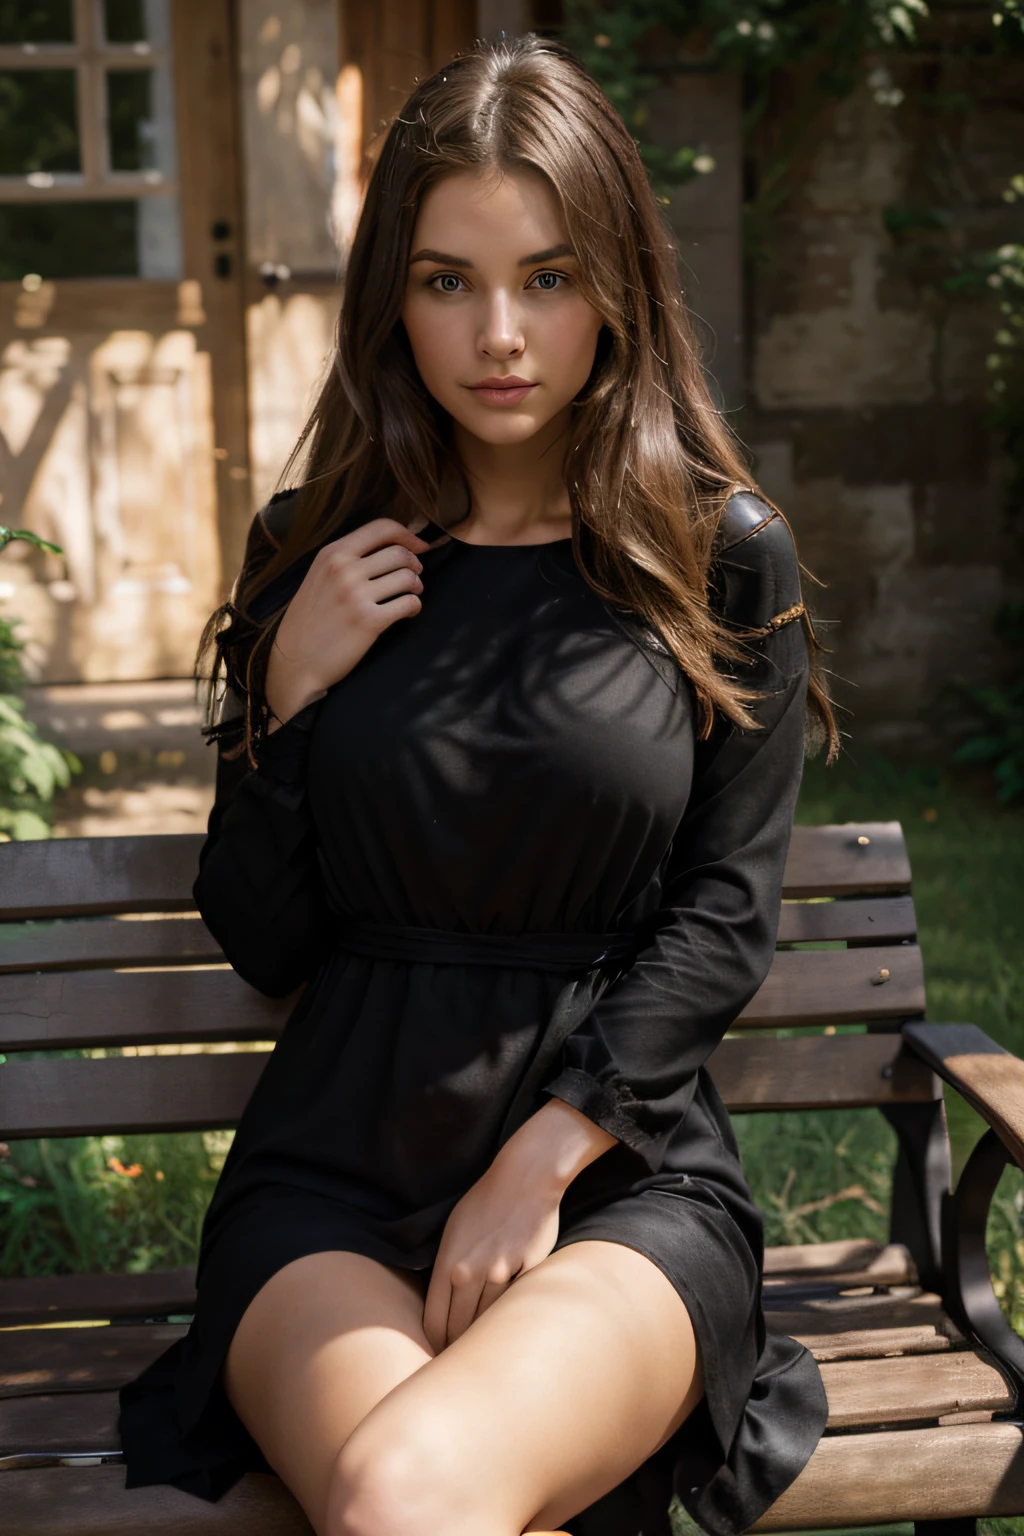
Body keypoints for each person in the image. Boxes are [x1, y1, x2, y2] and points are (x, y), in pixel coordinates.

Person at [119, 33, 838, 1536]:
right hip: (329, 1183)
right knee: (410, 1498)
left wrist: (539, 1160)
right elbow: (263, 937)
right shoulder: (315, 552)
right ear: (394, 294)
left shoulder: (721, 556)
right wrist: (285, 697)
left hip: (620, 1186)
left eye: (549, 278)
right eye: (449, 280)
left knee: (402, 1489)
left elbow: (723, 913)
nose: (499, 333)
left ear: (620, 288)